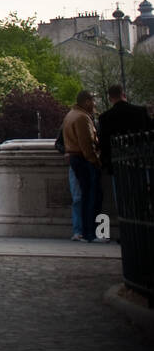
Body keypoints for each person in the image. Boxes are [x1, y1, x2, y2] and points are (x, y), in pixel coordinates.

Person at [62, 90, 102, 243]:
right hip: (83, 160)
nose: (94, 104)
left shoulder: (71, 115)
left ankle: (83, 232)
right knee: (91, 197)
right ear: (86, 101)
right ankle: (91, 232)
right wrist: (95, 161)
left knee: (83, 197)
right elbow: (86, 145)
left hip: (75, 158)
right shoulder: (81, 117)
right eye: (93, 101)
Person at [98, 83, 154, 185]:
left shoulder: (104, 118)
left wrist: (105, 162)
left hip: (117, 163)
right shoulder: (140, 111)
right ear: (124, 94)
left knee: (122, 193)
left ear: (110, 98)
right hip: (140, 159)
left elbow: (104, 142)